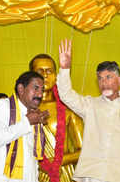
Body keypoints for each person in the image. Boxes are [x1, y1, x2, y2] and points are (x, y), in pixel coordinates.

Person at [56, 39, 120, 182]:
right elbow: (66, 95)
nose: (103, 83)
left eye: (108, 77)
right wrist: (65, 69)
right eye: (100, 79)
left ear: (119, 80)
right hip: (94, 175)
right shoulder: (90, 105)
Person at [0, 71, 50, 182]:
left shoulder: (35, 115)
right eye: (36, 88)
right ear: (21, 89)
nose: (40, 95)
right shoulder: (3, 106)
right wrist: (27, 122)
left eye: (42, 90)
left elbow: (32, 158)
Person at [29, 54, 84, 182]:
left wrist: (60, 161)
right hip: (33, 174)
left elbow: (84, 150)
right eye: (39, 71)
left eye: (49, 71)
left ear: (56, 76)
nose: (45, 75)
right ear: (30, 76)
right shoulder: (22, 109)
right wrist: (39, 162)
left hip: (65, 174)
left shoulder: (69, 109)